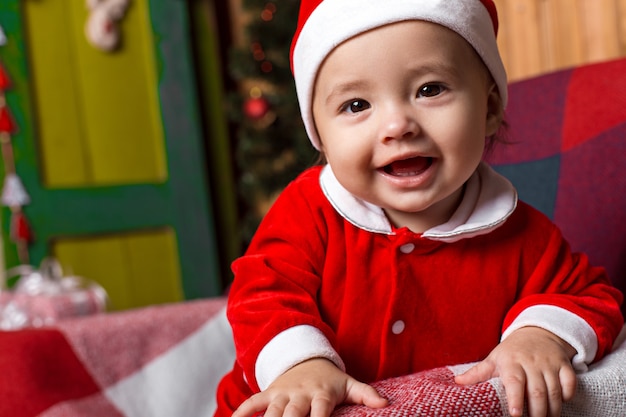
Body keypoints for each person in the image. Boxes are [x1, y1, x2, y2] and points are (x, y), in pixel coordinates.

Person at [215, 1, 624, 416]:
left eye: (430, 89)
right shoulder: (310, 211)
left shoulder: (521, 234)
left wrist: (540, 336)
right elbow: (261, 294)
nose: (397, 126)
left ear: (490, 109)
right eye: (356, 105)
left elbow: (590, 297)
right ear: (319, 132)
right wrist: (301, 365)